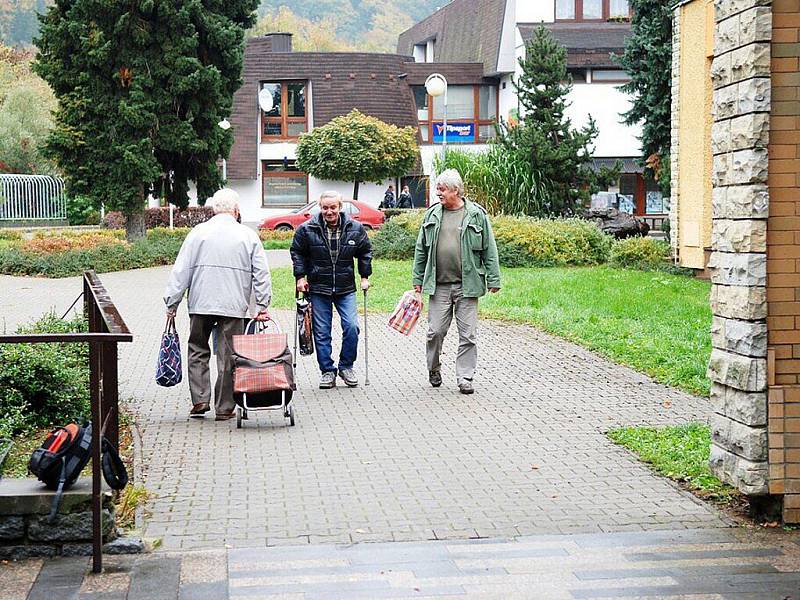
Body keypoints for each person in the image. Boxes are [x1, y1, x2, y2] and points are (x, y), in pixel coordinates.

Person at [164, 188, 272, 420]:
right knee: (229, 354)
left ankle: (200, 399)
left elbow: (181, 270)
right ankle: (224, 407)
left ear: (214, 209)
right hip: (234, 305)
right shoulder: (247, 235)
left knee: (197, 349)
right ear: (236, 210)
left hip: (201, 303)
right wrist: (262, 304)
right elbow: (261, 272)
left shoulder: (198, 233)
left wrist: (172, 302)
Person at [412, 169, 501, 395]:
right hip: (439, 285)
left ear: (456, 190)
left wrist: (493, 278)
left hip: (467, 285)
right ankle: (434, 368)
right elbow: (421, 250)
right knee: (435, 332)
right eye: (438, 189)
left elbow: (490, 249)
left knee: (468, 335)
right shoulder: (432, 215)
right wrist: (417, 279)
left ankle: (465, 377)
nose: (438, 193)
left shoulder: (476, 215)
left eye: (442, 189)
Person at [291, 191, 372, 389]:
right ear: (320, 207)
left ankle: (346, 366)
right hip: (319, 287)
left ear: (340, 207)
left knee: (352, 326)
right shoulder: (307, 229)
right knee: (321, 331)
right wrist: (300, 277)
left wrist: (364, 277)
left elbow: (365, 252)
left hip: (346, 287)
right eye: (325, 208)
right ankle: (327, 371)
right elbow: (297, 252)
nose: (329, 211)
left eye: (333, 207)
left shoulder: (355, 228)